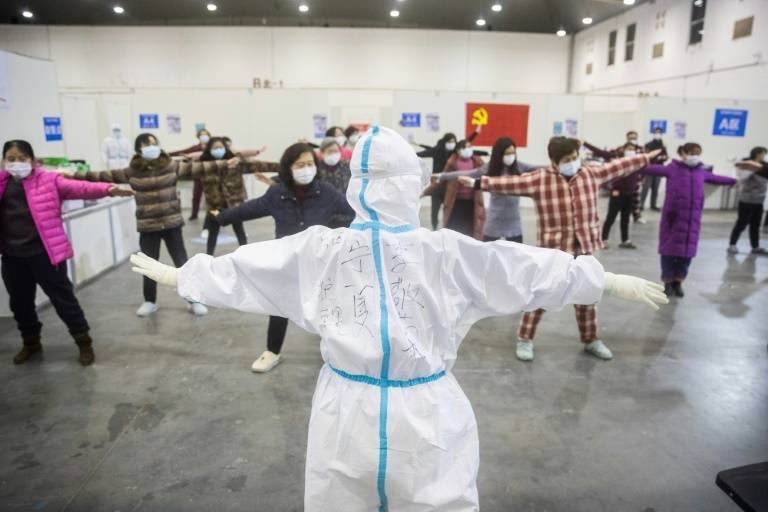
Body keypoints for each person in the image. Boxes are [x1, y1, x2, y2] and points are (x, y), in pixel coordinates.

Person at [131, 126, 667, 511]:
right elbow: (522, 270)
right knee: (402, 496)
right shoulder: (432, 251)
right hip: (416, 408)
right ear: (412, 183)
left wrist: (187, 277)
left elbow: (252, 269)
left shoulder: (350, 249)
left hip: (355, 408)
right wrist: (601, 279)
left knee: (372, 494)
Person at [460, 136, 661, 362]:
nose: (573, 162)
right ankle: (524, 339)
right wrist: (478, 183)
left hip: (583, 248)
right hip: (553, 252)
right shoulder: (540, 180)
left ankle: (591, 339)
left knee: (588, 293)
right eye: (567, 159)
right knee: (541, 295)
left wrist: (645, 157)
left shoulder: (590, 174)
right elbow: (509, 184)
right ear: (555, 162)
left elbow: (619, 166)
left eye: (575, 158)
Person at [210, 142, 355, 373]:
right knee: (278, 307)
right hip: (287, 262)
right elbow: (252, 208)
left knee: (329, 307)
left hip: (319, 263)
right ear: (289, 168)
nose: (306, 168)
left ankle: (338, 352)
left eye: (310, 164)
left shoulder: (326, 192)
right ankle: (272, 352)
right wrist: (222, 217)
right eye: (300, 164)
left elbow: (351, 211)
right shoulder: (278, 193)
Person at [71, 133, 244, 317]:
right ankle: (149, 301)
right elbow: (103, 175)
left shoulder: (171, 166)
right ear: (139, 149)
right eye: (147, 144)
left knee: (182, 263)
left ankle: (193, 300)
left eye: (154, 143)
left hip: (172, 223)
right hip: (148, 226)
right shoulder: (133, 171)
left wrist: (225, 163)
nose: (151, 147)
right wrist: (74, 174)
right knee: (148, 265)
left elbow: (199, 167)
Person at [1, 140, 133, 365]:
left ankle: (84, 343)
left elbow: (80, 188)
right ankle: (30, 343)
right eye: (10, 159)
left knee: (64, 300)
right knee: (20, 304)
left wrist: (109, 189)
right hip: (13, 257)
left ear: (32, 161)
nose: (16, 163)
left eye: (21, 159)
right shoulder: (2, 184)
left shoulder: (48, 180)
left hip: (45, 254)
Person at [642, 143, 737, 297]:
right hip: (672, 220)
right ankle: (667, 282)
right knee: (668, 253)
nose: (695, 155)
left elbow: (717, 178)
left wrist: (734, 181)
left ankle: (678, 282)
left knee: (686, 255)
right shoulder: (672, 168)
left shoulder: (702, 171)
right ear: (683, 153)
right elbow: (647, 168)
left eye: (698, 153)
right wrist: (633, 162)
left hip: (692, 221)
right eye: (692, 152)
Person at [434, 137, 542, 243]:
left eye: (513, 153)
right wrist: (442, 176)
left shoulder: (519, 167)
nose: (511, 156)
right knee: (487, 254)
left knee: (516, 256)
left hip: (514, 223)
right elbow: (468, 173)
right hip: (494, 221)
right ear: (499, 154)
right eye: (507, 154)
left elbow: (539, 168)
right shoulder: (490, 168)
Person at [197, 137, 278, 255]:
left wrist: (283, 166)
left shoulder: (235, 163)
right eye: (215, 148)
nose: (218, 150)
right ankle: (208, 256)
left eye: (220, 147)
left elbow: (259, 165)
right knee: (213, 232)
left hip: (233, 204)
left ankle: (245, 254)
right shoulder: (204, 166)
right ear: (209, 150)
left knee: (239, 230)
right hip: (215, 206)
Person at [417, 128, 480, 230]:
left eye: (454, 142)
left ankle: (446, 229)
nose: (452, 144)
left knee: (449, 209)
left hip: (449, 187)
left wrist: (476, 133)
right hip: (437, 185)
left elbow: (466, 143)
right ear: (445, 142)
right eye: (450, 142)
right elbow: (423, 153)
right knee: (435, 209)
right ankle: (434, 227)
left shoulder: (455, 154)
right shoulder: (437, 150)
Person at [601, 143, 646, 249]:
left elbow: (646, 168)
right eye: (629, 148)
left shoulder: (636, 163)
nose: (631, 150)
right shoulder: (618, 162)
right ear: (624, 150)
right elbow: (602, 153)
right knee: (611, 217)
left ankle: (625, 240)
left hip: (629, 195)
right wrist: (613, 189)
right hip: (617, 194)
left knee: (625, 219)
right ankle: (603, 239)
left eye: (633, 149)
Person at [441, 140, 485, 238]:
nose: (468, 149)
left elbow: (486, 174)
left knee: (470, 230)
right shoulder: (452, 162)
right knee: (454, 230)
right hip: (456, 202)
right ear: (459, 150)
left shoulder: (477, 161)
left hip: (472, 202)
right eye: (465, 147)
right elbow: (443, 177)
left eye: (470, 147)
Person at [729, 147, 768, 255]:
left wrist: (759, 168)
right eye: (762, 154)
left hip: (759, 201)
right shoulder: (746, 164)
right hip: (746, 200)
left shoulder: (765, 166)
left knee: (755, 225)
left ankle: (755, 246)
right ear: (757, 154)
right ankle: (732, 245)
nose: (763, 156)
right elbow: (741, 177)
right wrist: (751, 168)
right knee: (741, 223)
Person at [170, 128, 212, 221]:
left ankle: (214, 215)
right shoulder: (195, 148)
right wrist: (167, 153)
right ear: (198, 137)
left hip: (211, 175)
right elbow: (181, 151)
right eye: (201, 135)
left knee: (212, 198)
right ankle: (194, 214)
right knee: (196, 196)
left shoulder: (213, 147)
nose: (204, 136)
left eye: (205, 134)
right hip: (198, 175)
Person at [317, 137, 354, 229]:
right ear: (322, 152)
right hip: (325, 217)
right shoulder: (317, 169)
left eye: (336, 151)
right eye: (330, 151)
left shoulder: (347, 166)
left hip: (347, 213)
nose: (333, 154)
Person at [641, 127, 669, 211]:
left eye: (659, 133)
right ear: (653, 134)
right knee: (645, 187)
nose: (658, 134)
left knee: (655, 188)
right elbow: (646, 156)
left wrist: (663, 158)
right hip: (649, 168)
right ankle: (641, 204)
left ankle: (653, 205)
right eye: (656, 132)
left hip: (659, 169)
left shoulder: (663, 145)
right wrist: (656, 158)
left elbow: (665, 156)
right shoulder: (648, 144)